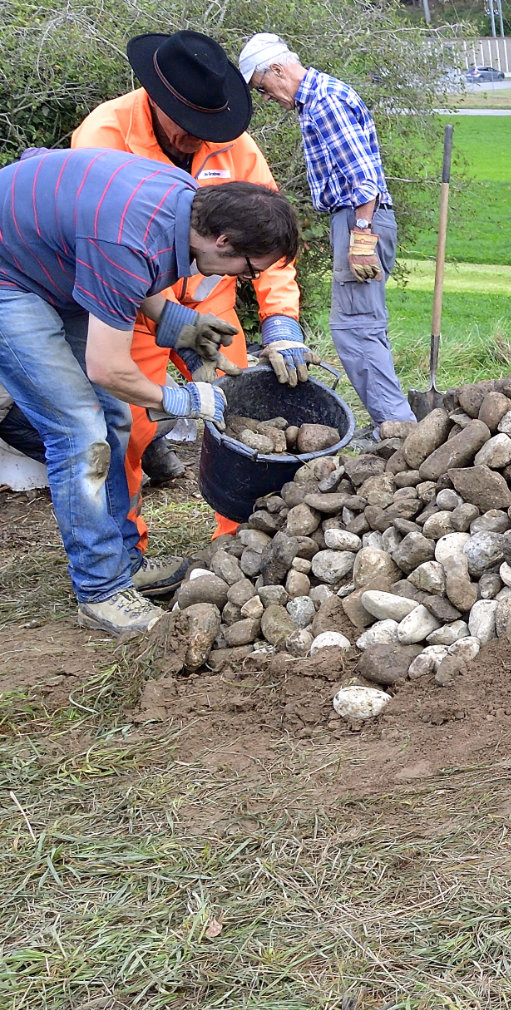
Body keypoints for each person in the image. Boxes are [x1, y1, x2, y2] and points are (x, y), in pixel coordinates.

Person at [0, 148, 300, 636]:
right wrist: (183, 400)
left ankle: (123, 564)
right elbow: (106, 366)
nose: (242, 278)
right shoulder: (129, 235)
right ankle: (99, 591)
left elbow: (127, 270)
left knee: (113, 420)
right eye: (247, 267)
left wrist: (177, 322)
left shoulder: (185, 207)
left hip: (57, 264)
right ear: (222, 239)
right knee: (79, 431)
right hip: (9, 280)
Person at [69, 30, 316, 547]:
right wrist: (166, 329)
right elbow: (101, 249)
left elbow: (269, 237)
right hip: (134, 309)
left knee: (244, 408)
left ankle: (241, 534)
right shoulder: (104, 136)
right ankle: (125, 548)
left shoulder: (235, 145)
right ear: (154, 101)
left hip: (211, 306)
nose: (198, 138)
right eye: (188, 127)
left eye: (210, 127)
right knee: (128, 429)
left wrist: (281, 320)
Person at [238, 33, 413, 427]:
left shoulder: (324, 103)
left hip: (358, 217)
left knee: (354, 331)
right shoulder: (319, 99)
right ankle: (395, 423)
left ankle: (397, 428)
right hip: (356, 218)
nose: (266, 98)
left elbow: (365, 179)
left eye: (263, 88)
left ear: (278, 70)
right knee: (364, 326)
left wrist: (362, 238)